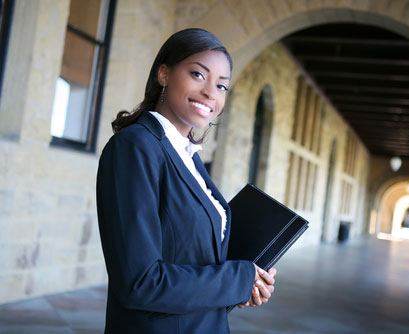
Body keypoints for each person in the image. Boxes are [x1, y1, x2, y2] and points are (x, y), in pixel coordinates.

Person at [96, 28, 277, 333]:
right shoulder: (135, 147)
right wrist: (237, 278)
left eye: (222, 86)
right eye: (197, 74)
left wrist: (246, 285)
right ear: (163, 74)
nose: (210, 93)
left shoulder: (188, 156)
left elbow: (193, 259)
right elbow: (140, 283)